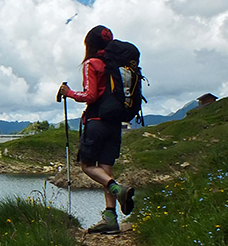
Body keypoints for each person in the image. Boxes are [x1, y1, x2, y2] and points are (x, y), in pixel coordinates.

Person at [58, 25, 135, 234]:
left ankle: (118, 190)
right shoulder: (116, 65)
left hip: (96, 121)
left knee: (87, 166)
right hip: (114, 124)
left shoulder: (91, 63)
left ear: (89, 44)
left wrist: (69, 92)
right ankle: (110, 218)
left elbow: (90, 95)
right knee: (105, 168)